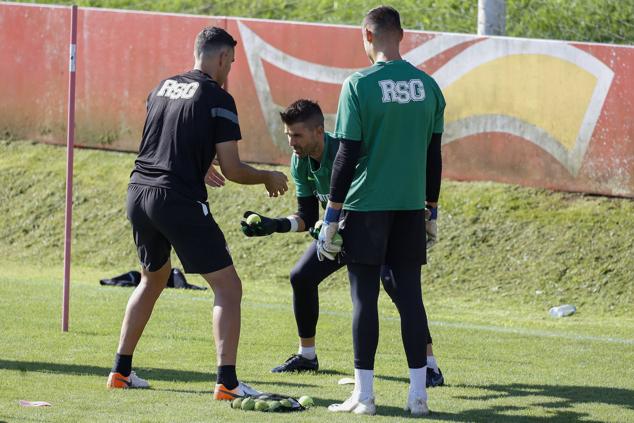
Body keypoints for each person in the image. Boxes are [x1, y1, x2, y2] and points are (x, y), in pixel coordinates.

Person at [106, 26, 289, 401]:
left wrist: (199, 160)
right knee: (228, 286)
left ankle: (121, 372)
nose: (230, 70)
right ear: (222, 58)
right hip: (176, 198)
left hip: (139, 192)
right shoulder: (217, 97)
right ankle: (228, 382)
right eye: (232, 62)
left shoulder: (161, 87)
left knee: (152, 280)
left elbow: (164, 139)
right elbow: (234, 169)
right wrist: (268, 176)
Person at [239, 99, 444, 389]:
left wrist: (330, 226)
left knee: (398, 286)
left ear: (319, 131)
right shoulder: (300, 161)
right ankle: (307, 355)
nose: (291, 142)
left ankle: (430, 367)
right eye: (288, 135)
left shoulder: (346, 151)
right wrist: (274, 224)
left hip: (377, 227)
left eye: (297, 135)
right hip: (339, 233)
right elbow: (307, 216)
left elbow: (366, 198)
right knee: (301, 277)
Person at [316, 6, 445, 416]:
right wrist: (432, 209)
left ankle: (365, 396)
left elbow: (346, 154)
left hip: (366, 206)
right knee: (410, 299)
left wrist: (332, 215)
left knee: (363, 300)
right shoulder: (429, 86)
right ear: (402, 35)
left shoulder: (359, 84)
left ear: (366, 36)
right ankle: (417, 397)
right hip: (410, 207)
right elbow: (434, 155)